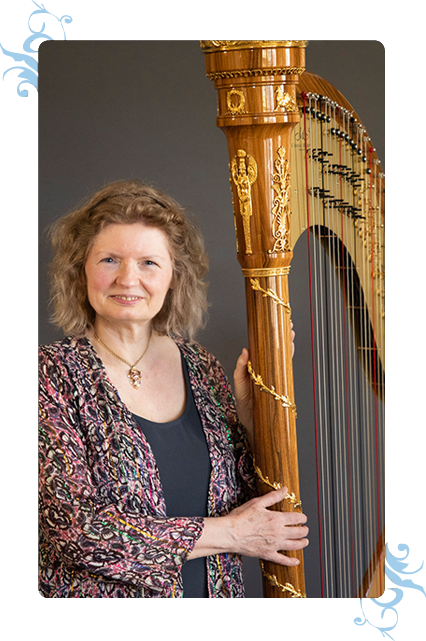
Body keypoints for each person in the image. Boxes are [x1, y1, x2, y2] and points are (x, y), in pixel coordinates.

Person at [28, 179, 308, 600]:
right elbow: (75, 532)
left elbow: (256, 507)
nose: (128, 278)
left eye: (148, 263)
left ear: (174, 276)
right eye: (109, 259)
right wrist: (229, 534)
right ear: (79, 269)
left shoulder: (202, 367)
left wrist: (252, 419)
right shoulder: (40, 373)